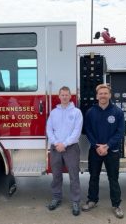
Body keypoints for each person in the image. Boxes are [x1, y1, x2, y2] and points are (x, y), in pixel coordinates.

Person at [82, 84, 125, 219]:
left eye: (105, 93)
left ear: (110, 95)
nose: (103, 96)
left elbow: (120, 132)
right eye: (100, 93)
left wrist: (107, 146)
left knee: (113, 178)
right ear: (97, 96)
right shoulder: (90, 112)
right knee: (93, 177)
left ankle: (116, 205)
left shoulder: (118, 112)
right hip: (95, 151)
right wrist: (96, 146)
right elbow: (87, 131)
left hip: (112, 151)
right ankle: (92, 200)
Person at [46, 86, 83, 216]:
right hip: (56, 147)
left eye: (67, 95)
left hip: (71, 147)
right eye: (62, 95)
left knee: (74, 175)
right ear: (59, 96)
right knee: (56, 175)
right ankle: (56, 198)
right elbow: (49, 129)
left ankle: (76, 201)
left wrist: (65, 144)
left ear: (70, 96)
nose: (65, 97)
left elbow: (76, 132)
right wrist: (56, 143)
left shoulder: (76, 112)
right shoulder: (53, 112)